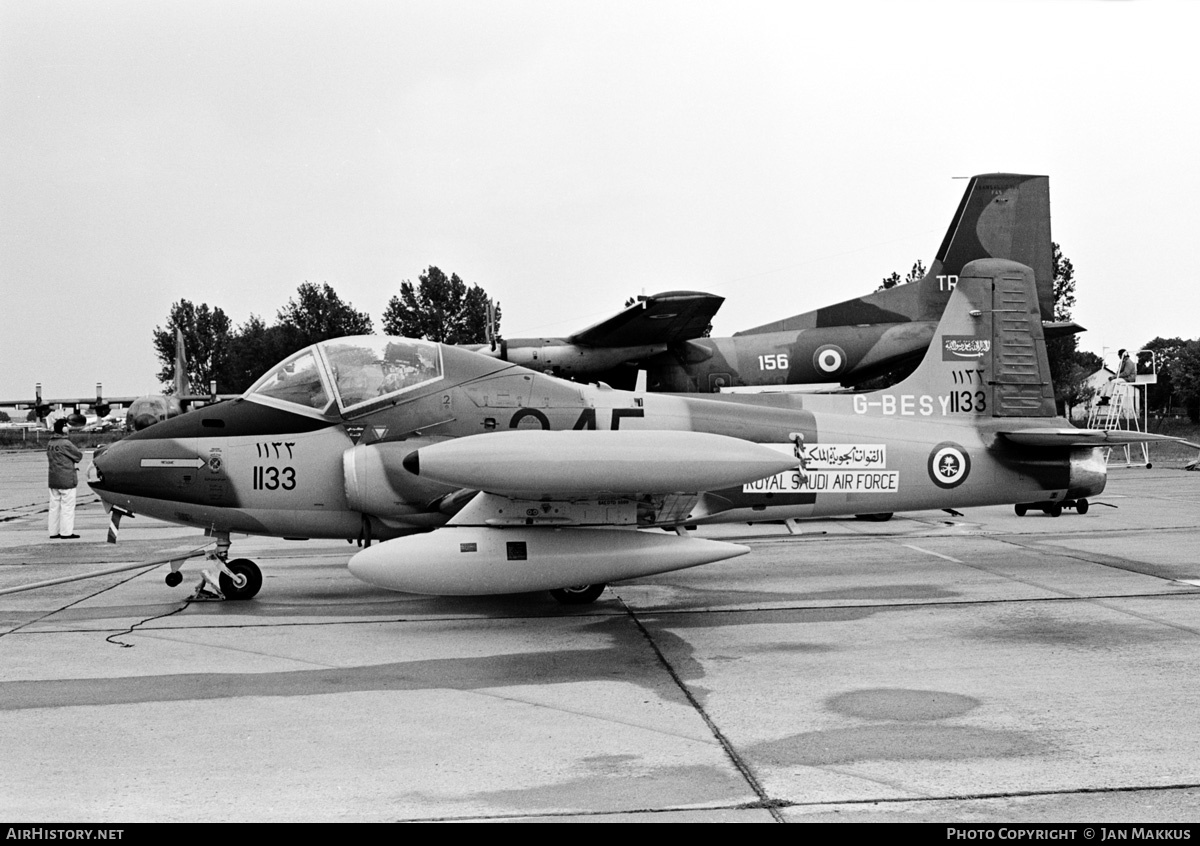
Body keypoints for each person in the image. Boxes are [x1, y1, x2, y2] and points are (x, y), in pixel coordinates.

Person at [47, 418, 83, 539]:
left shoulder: (50, 443)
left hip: (53, 479)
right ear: (64, 429)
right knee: (67, 507)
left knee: (54, 507)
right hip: (66, 479)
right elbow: (78, 456)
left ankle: (53, 532)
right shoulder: (66, 443)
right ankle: (66, 532)